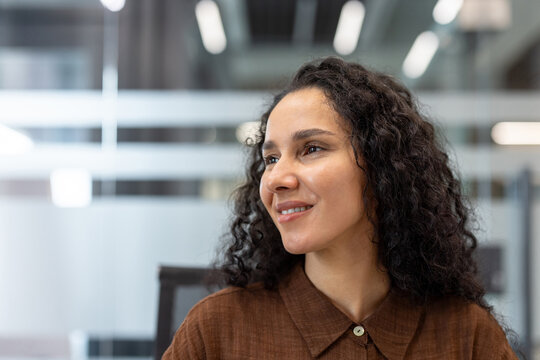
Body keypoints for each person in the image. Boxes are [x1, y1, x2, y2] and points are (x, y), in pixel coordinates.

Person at [162, 57, 518, 359]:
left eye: (311, 148)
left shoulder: (468, 337)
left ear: (383, 167)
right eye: (270, 158)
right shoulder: (216, 331)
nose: (276, 179)